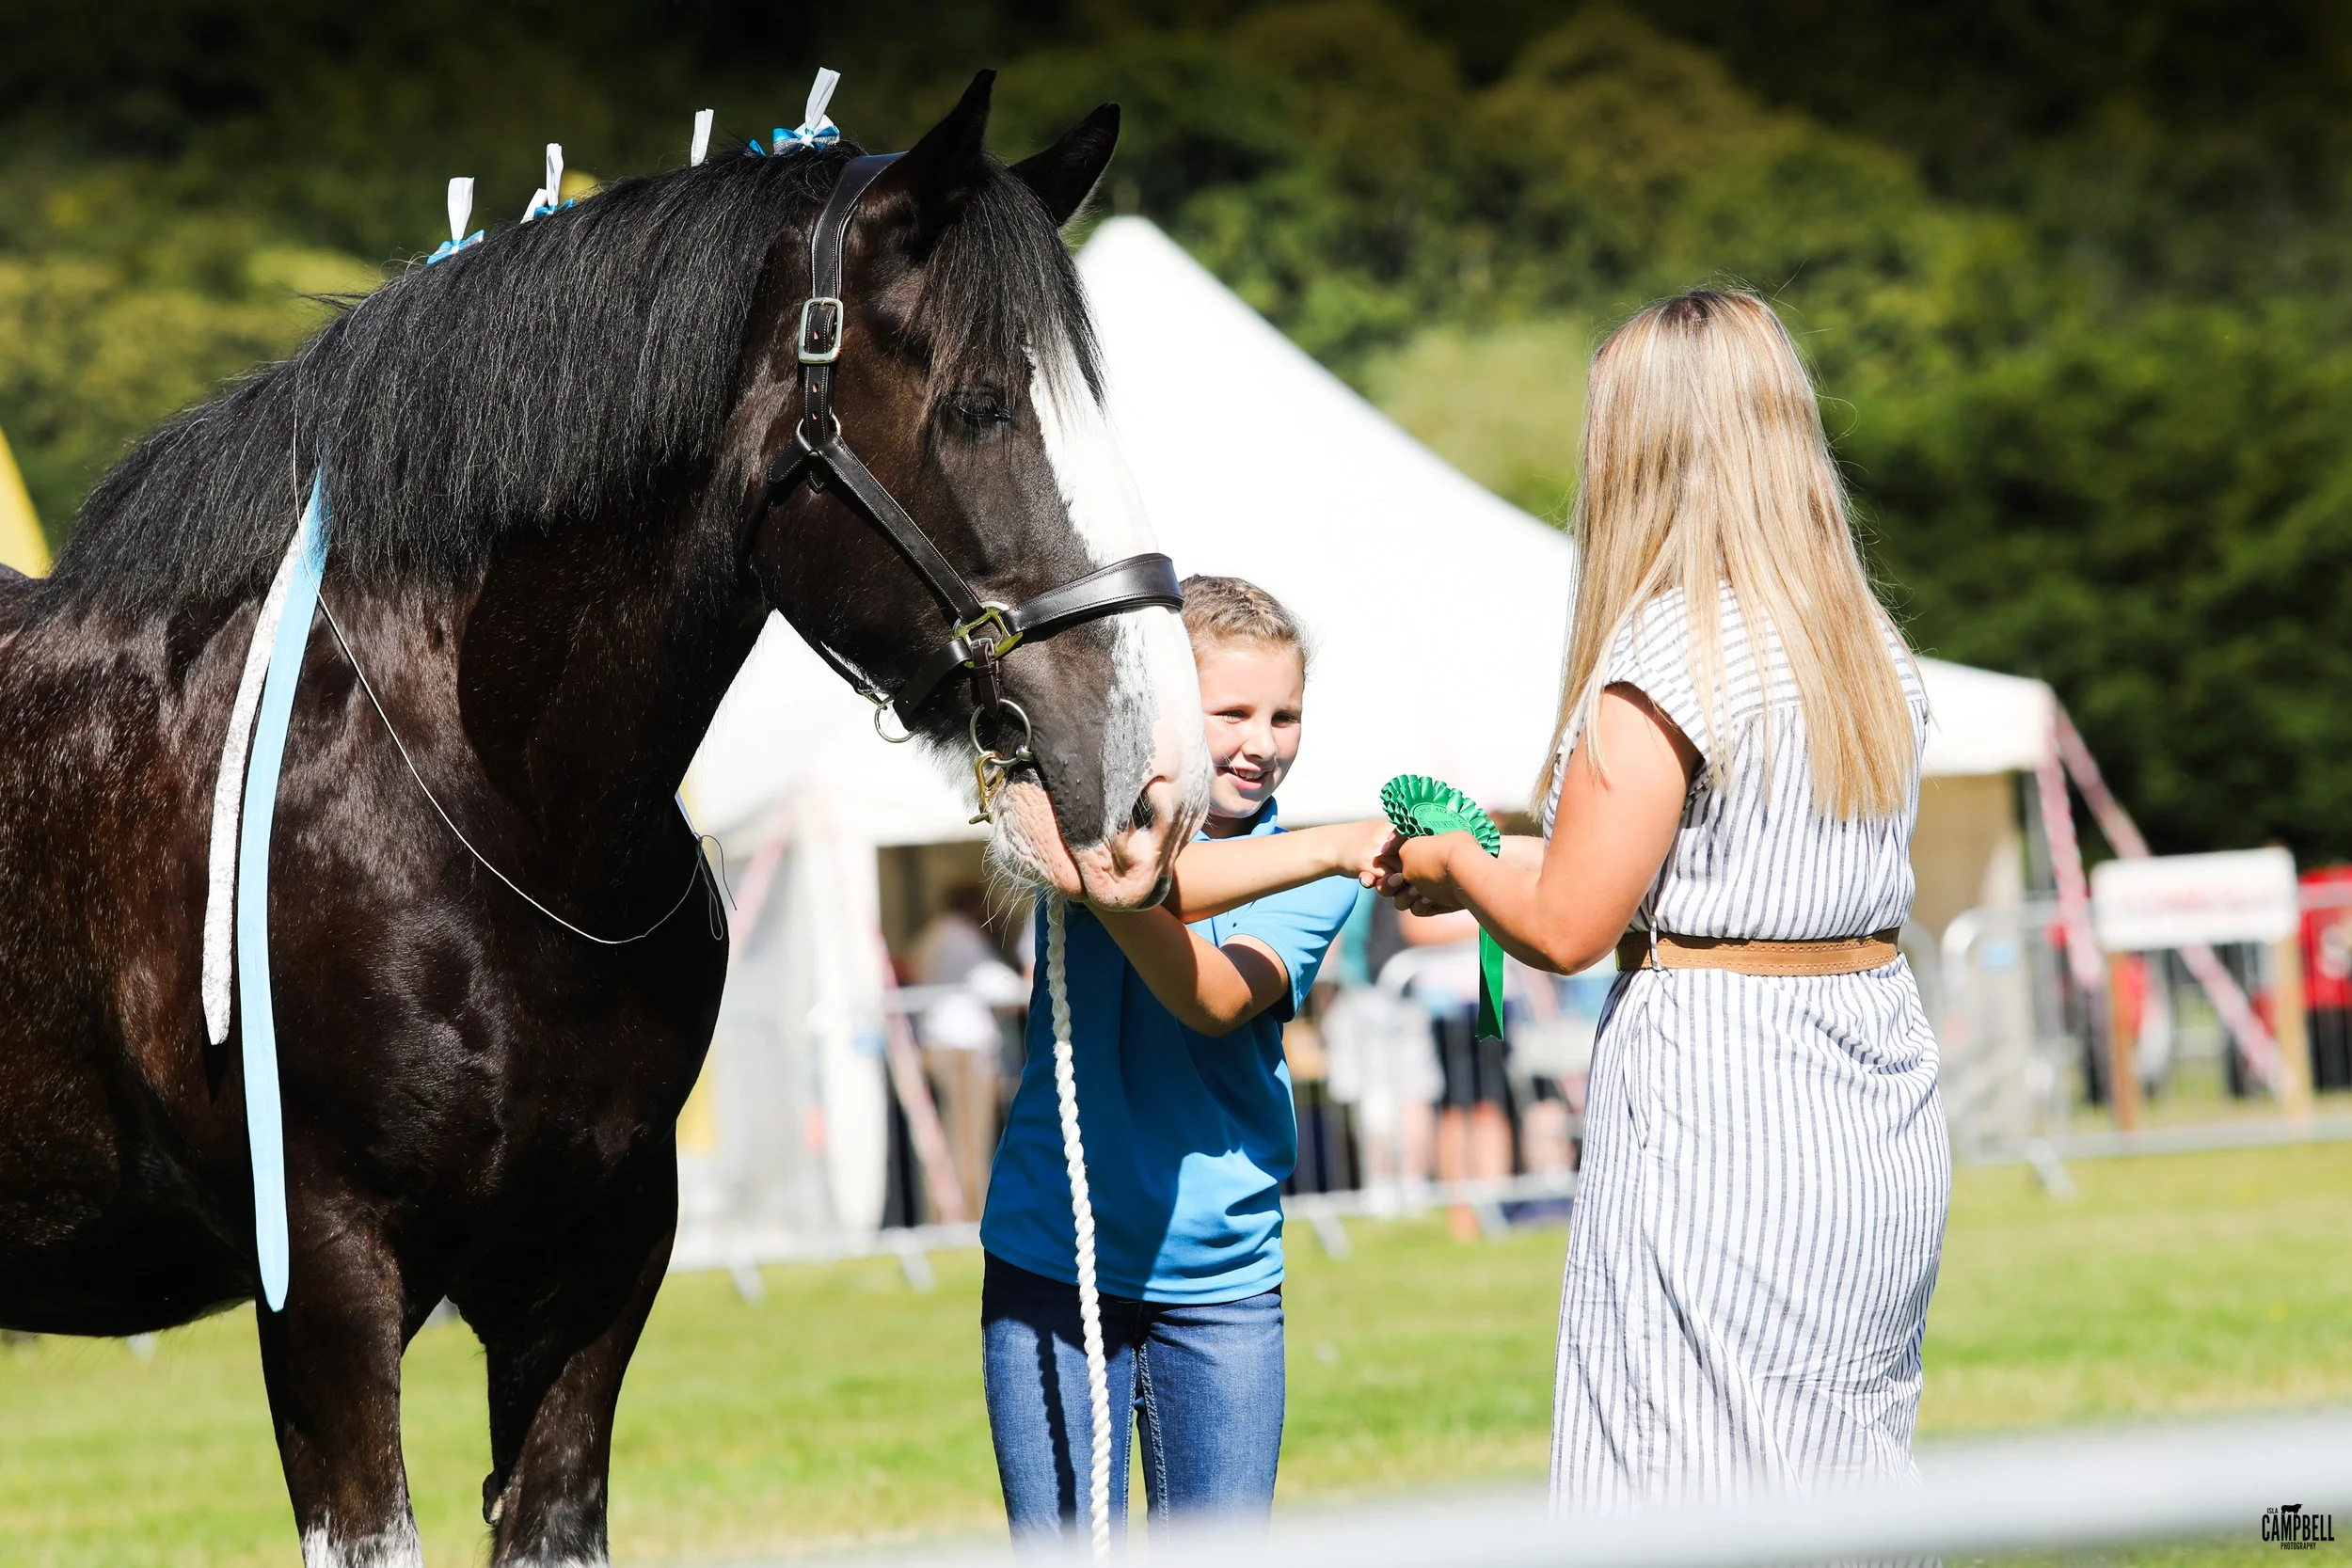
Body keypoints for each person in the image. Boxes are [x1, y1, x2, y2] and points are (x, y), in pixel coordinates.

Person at [1380, 289, 1948, 1509]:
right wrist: (1508, 855)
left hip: (1723, 1093)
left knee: (1684, 1459)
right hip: (1874, 1084)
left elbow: (1572, 924)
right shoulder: (1864, 647)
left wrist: (1459, 867)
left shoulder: (1666, 657)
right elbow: (1699, 875)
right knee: (1848, 1456)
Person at [979, 575, 1391, 1543]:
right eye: (1232, 711)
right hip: (1055, 1258)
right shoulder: (1091, 816)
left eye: (1285, 714)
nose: (1263, 740)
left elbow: (1208, 995)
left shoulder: (1310, 874)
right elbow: (1153, 869)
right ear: (1163, 707)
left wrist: (1107, 872)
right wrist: (1333, 843)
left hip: (1222, 1283)